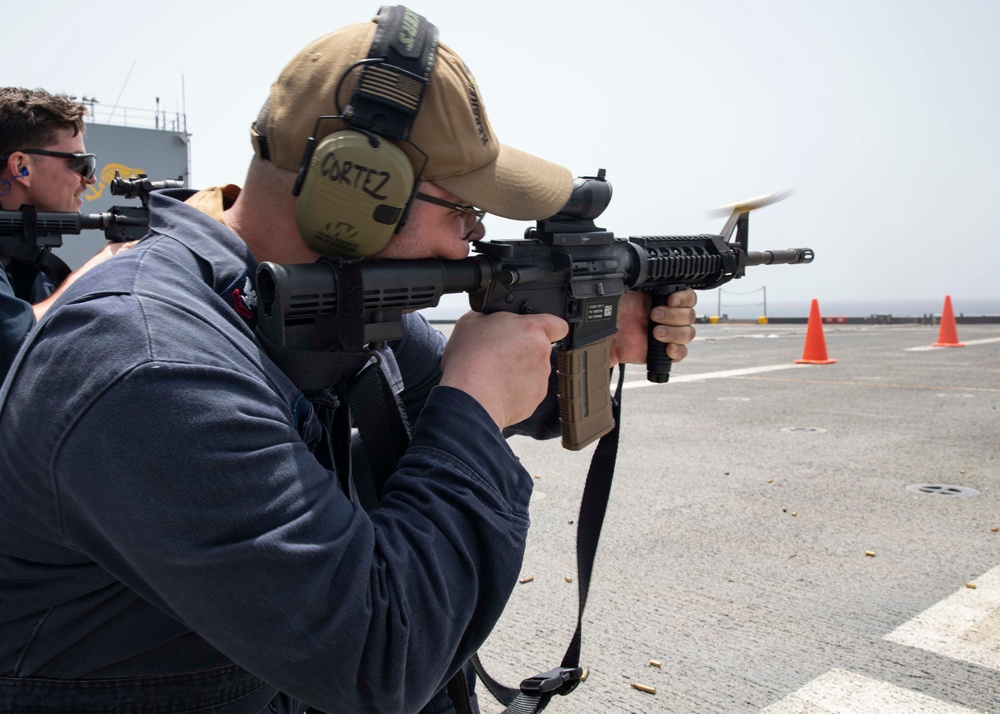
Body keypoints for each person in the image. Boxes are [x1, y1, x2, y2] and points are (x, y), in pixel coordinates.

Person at [0, 9, 697, 714]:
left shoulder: (324, 311)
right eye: (464, 211)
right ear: (354, 192)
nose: (471, 245)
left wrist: (598, 335)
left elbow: (459, 406)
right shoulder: (148, 367)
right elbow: (377, 661)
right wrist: (477, 401)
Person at [0, 87, 127, 379]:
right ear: (21, 167)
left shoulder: (28, 260)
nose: (90, 178)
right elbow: (19, 350)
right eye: (79, 164)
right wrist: (102, 267)